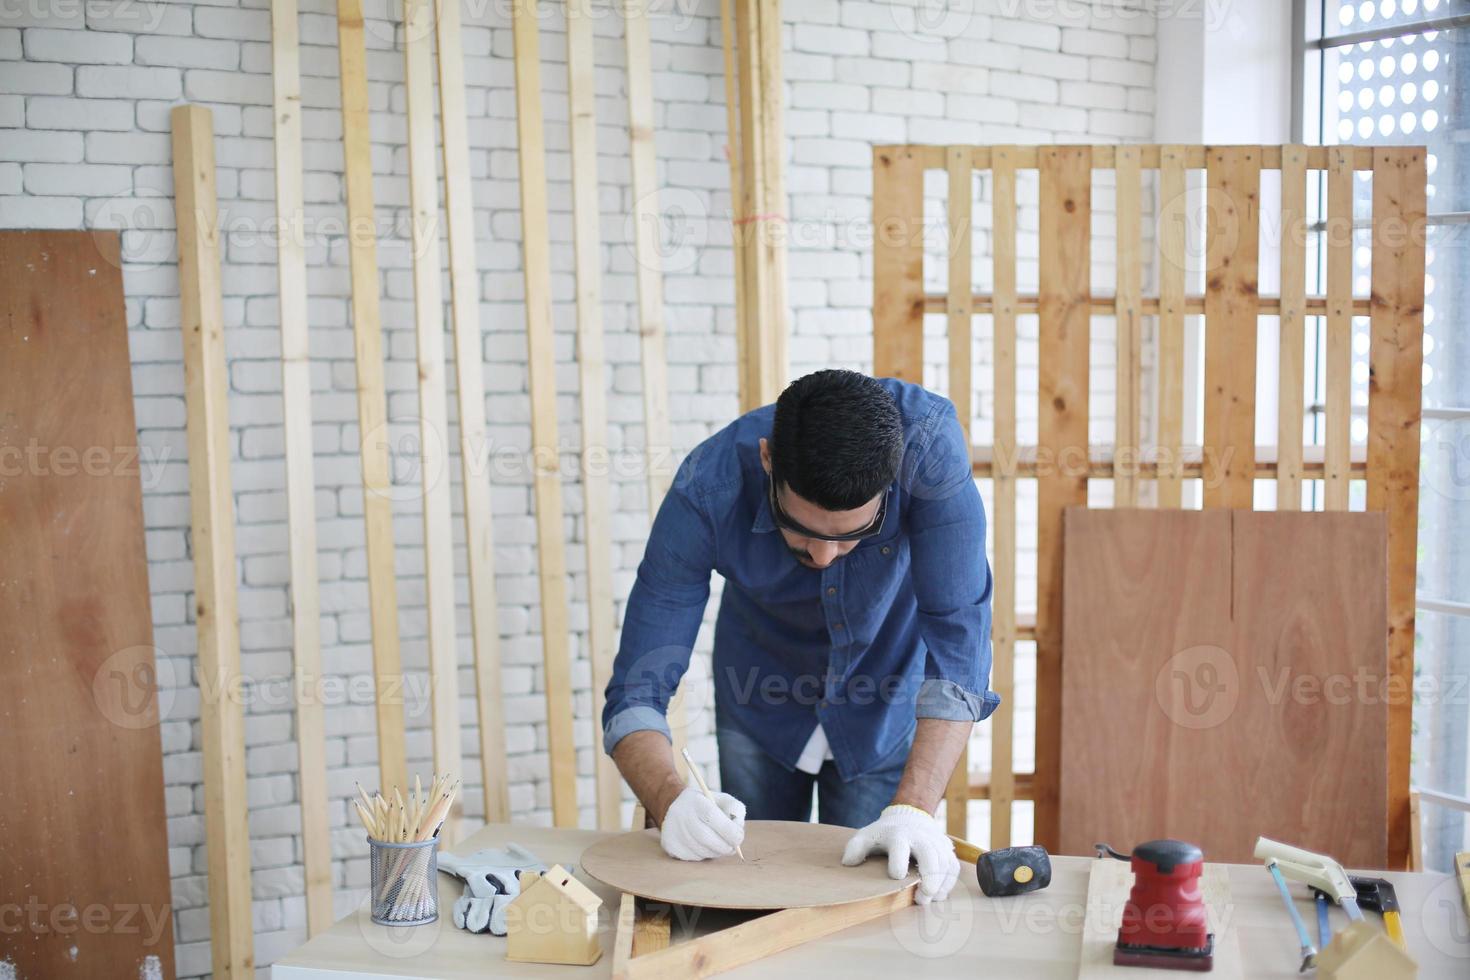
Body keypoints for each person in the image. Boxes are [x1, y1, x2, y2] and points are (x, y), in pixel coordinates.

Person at [602, 369, 998, 905]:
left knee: (863, 905)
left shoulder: (927, 452)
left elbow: (960, 644)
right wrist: (670, 801)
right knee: (748, 896)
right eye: (803, 530)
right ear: (768, 461)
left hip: (883, 696)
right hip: (759, 696)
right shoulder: (708, 486)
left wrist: (914, 810)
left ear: (891, 482)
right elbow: (636, 691)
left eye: (851, 536)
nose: (823, 557)